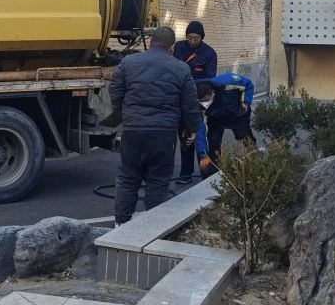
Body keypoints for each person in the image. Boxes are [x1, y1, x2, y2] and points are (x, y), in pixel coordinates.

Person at [109, 26, 201, 224]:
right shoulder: (181, 68)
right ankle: (153, 227)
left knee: (128, 178)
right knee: (158, 181)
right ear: (172, 48)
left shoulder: (129, 62)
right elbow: (190, 104)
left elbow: (115, 87)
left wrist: (122, 111)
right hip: (163, 133)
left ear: (150, 43)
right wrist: (193, 128)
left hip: (133, 129)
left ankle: (120, 224)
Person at [172, 21, 217, 181]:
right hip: (180, 97)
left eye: (196, 38)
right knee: (185, 135)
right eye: (189, 37)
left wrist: (191, 85)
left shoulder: (209, 53)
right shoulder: (179, 47)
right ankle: (186, 173)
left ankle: (206, 172)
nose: (192, 41)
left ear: (201, 37)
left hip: (199, 99)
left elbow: (210, 78)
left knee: (199, 135)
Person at [192, 72, 256, 176]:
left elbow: (248, 84)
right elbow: (200, 129)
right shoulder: (198, 104)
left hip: (237, 114)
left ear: (213, 93)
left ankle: (256, 160)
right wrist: (202, 155)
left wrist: (245, 102)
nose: (204, 104)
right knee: (213, 143)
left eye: (206, 100)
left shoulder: (227, 81)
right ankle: (213, 173)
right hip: (215, 118)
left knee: (244, 137)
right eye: (201, 102)